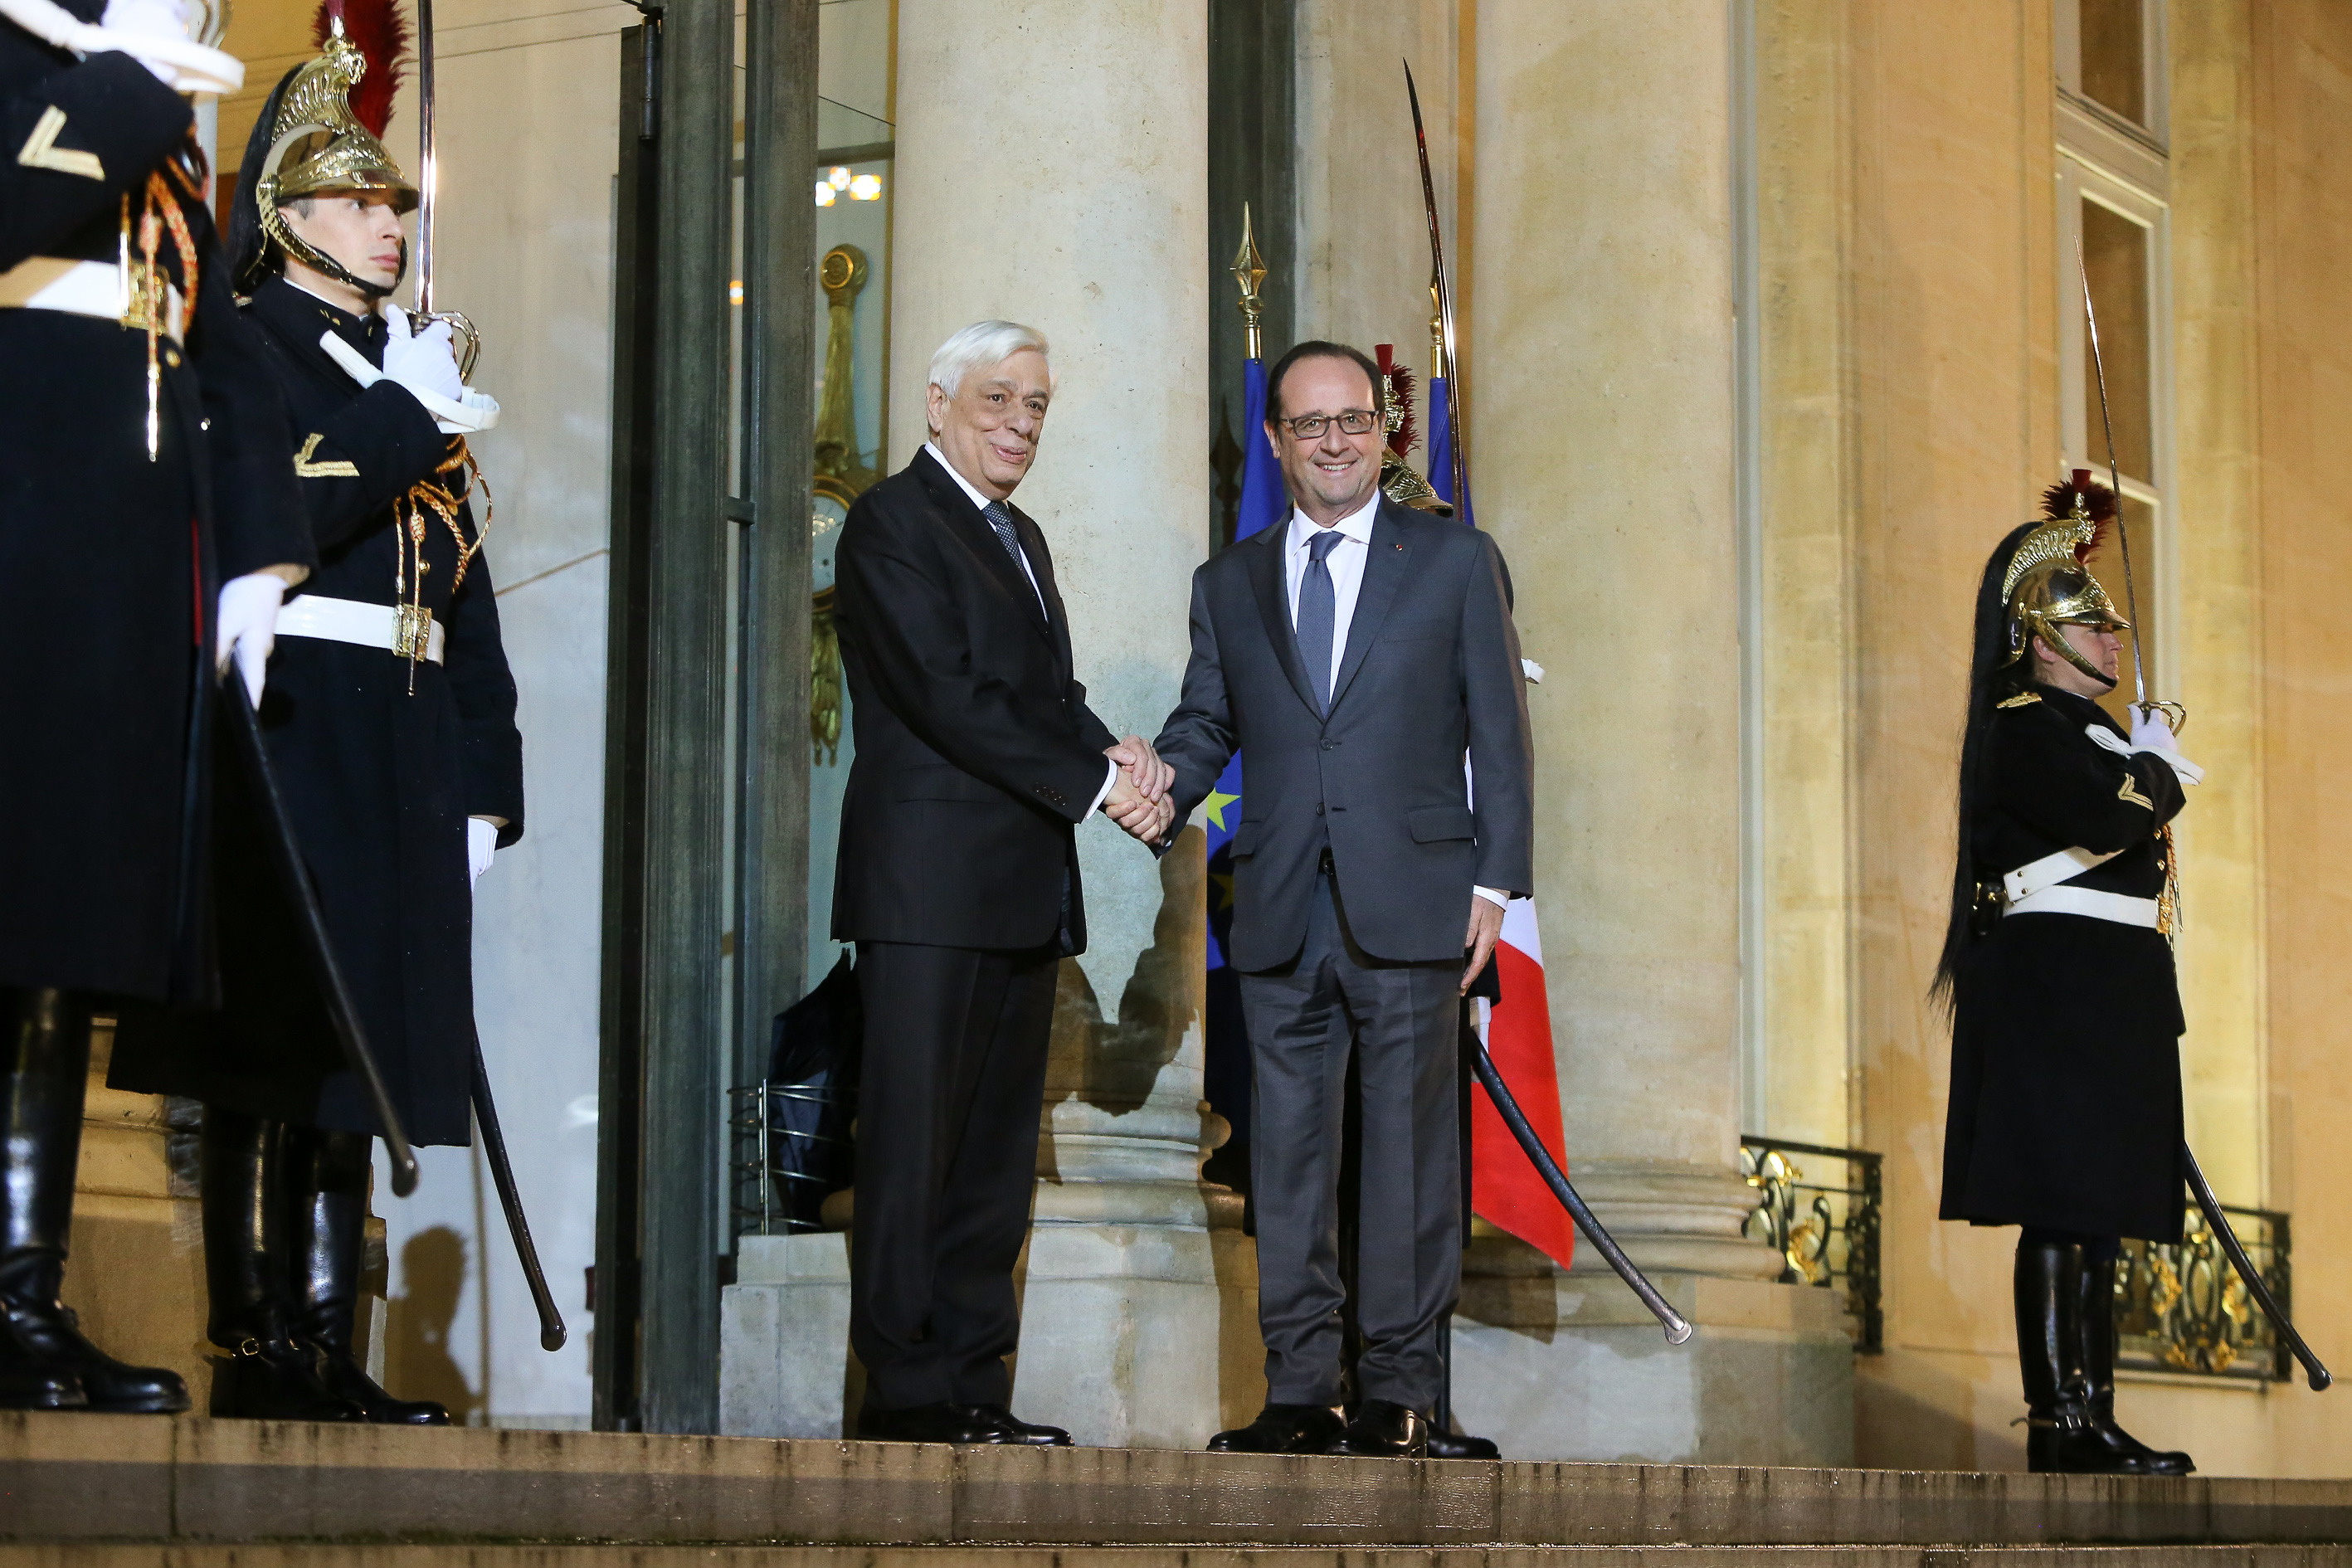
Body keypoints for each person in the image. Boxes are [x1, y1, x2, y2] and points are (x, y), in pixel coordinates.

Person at [107, 22, 519, 1424]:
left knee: (365, 1059)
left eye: (393, 201)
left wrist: (486, 783)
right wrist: (404, 414)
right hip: (292, 729)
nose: (387, 222)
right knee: (268, 1050)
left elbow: (462, 589)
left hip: (399, 737)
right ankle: (254, 1341)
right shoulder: (251, 347)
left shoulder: (400, 366)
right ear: (285, 217)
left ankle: (329, 1341)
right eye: (355, 199)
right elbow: (286, 506)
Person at [0, 0, 314, 1411]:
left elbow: (216, 345)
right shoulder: (56, 74)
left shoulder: (125, 93)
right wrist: (127, 86)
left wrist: (261, 550)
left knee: (59, 944)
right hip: (21, 529)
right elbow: (16, 202)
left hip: (117, 572)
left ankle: (20, 1294)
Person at [1151, 340, 1533, 1458]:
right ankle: (1301, 1392)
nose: (1334, 441)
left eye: (1354, 420)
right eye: (1310, 424)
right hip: (1278, 903)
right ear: (1275, 439)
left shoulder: (1455, 560)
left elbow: (1500, 730)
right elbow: (1206, 721)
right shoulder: (1228, 582)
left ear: (1381, 431)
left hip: (1417, 899)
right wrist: (1156, 785)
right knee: (1286, 1156)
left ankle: (1401, 1394)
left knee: (1410, 1156)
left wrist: (1495, 880)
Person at [830, 319, 1170, 1446]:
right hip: (926, 891)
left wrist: (1118, 758)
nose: (1020, 422)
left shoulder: (1018, 534)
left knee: (989, 1159)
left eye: (1036, 405)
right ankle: (905, 1393)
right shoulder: (890, 520)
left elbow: (1040, 696)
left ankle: (975, 1382)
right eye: (997, 398)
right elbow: (946, 693)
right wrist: (1098, 786)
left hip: (1019, 886)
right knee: (913, 1146)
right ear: (937, 404)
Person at [1934, 472, 2199, 1476]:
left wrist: (2140, 763)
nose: (2115, 642)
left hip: (2114, 990)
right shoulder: (2022, 724)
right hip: (2056, 990)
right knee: (2061, 1205)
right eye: (2095, 628)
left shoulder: (2092, 731)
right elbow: (2108, 817)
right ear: (2043, 639)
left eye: (2114, 628)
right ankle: (2060, 1421)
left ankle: (2098, 1415)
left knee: (2104, 1216)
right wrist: (2157, 771)